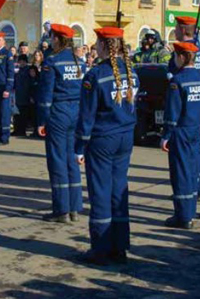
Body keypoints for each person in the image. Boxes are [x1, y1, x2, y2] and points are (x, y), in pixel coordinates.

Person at [76, 27, 137, 266]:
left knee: (100, 192)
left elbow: (87, 116)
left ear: (103, 46)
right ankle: (119, 246)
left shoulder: (96, 75)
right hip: (125, 136)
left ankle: (100, 248)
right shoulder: (131, 72)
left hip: (103, 138)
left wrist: (79, 146)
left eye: (97, 43)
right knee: (119, 190)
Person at [36, 23, 83, 223]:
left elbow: (46, 95)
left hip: (58, 113)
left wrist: (42, 120)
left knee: (57, 161)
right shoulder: (79, 61)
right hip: (76, 113)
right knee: (72, 160)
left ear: (56, 39)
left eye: (51, 37)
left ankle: (61, 210)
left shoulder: (51, 62)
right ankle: (74, 207)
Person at [161, 41, 200, 230]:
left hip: (180, 131)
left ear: (180, 57)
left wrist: (166, 135)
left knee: (180, 174)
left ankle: (183, 216)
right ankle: (190, 211)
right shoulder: (199, 77)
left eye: (175, 56)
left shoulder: (177, 81)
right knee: (193, 171)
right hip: (195, 129)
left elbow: (172, 112)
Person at [13, 54, 35, 137]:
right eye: (20, 61)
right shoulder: (18, 70)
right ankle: (17, 129)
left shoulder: (28, 70)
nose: (21, 63)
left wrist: (30, 95)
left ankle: (22, 131)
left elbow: (31, 83)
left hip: (26, 94)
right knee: (17, 114)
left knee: (24, 114)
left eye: (23, 61)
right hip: (18, 94)